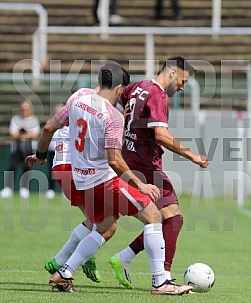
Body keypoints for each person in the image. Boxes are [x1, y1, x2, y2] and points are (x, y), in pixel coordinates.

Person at [26, 62, 193, 295]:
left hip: (81, 179)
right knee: (153, 215)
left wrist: (42, 154)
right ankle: (160, 282)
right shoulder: (112, 115)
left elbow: (48, 128)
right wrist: (140, 184)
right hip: (104, 180)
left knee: (105, 227)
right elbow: (114, 160)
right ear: (118, 88)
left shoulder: (77, 99)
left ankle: (63, 272)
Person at [108, 56, 209, 289]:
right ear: (172, 73)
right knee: (173, 219)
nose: (182, 87)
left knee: (161, 218)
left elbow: (114, 102)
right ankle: (162, 277)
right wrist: (193, 155)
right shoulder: (158, 94)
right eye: (183, 81)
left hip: (130, 159)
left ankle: (122, 258)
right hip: (145, 166)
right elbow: (161, 136)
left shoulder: (137, 87)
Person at [44, 89, 103, 283]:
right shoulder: (90, 110)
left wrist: (39, 153)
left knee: (93, 218)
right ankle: (64, 262)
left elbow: (48, 128)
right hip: (74, 167)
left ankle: (72, 259)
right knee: (101, 221)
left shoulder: (72, 109)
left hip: (61, 166)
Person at [0, 99, 40, 199]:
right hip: (16, 147)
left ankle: (24, 188)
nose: (24, 111)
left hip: (29, 148)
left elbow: (35, 133)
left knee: (26, 167)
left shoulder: (34, 120)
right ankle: (8, 188)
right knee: (13, 166)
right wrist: (21, 135)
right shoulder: (15, 118)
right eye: (22, 109)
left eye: (26, 109)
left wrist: (24, 135)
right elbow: (12, 132)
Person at [45, 103, 65, 200]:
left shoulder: (68, 123)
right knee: (51, 171)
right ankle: (51, 189)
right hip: (52, 149)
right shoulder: (50, 122)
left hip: (64, 150)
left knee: (65, 171)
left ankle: (65, 191)